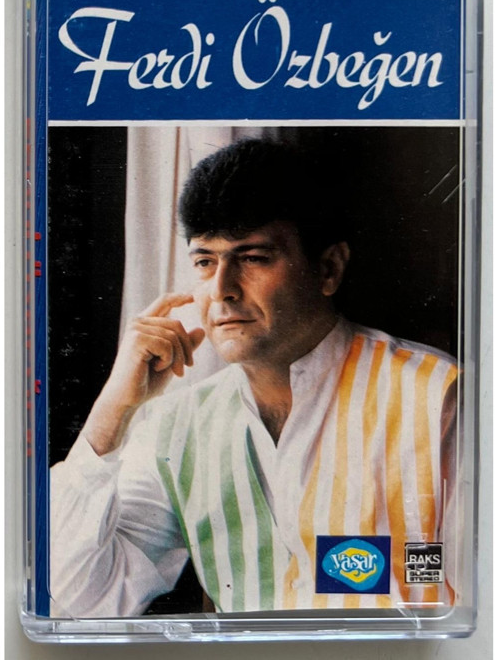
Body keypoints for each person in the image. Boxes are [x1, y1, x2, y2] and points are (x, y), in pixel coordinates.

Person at [50, 139, 459, 617]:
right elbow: (80, 599)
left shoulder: (437, 396)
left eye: (253, 258)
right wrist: (112, 412)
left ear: (328, 269)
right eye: (205, 262)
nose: (221, 289)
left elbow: (481, 607)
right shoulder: (175, 427)